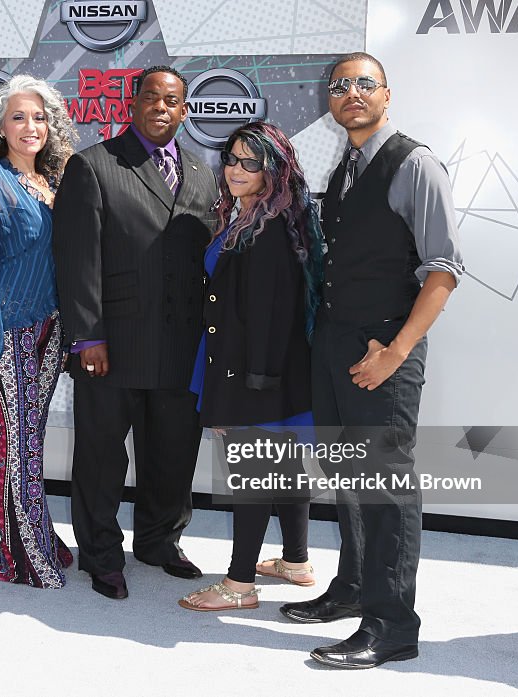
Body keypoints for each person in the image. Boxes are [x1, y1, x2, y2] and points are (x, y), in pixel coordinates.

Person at [278, 52, 464, 668]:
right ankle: (354, 588)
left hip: (387, 348)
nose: (351, 93)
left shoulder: (414, 163)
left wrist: (398, 352)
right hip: (337, 344)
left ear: (387, 94)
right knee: (348, 478)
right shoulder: (347, 165)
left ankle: (391, 625)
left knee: (385, 486)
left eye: (364, 83)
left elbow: (443, 271)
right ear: (330, 101)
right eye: (340, 86)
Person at [52, 65, 218, 600]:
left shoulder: (200, 172)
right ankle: (100, 554)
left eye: (172, 101)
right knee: (102, 457)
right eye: (152, 97)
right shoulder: (94, 165)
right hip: (112, 346)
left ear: (184, 110)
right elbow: (78, 261)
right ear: (133, 102)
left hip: (181, 346)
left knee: (171, 452)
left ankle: (159, 541)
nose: (161, 108)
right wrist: (86, 337)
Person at [177, 121, 322, 612]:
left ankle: (238, 585)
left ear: (273, 170)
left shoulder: (268, 229)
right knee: (284, 467)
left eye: (250, 162)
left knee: (254, 473)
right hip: (270, 371)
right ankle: (296, 561)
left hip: (253, 372)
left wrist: (242, 394)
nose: (236, 169)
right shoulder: (260, 217)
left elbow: (267, 315)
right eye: (232, 159)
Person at [0, 75, 79, 588]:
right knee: (18, 442)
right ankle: (24, 556)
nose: (31, 126)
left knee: (31, 438)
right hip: (7, 333)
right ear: (0, 127)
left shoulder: (55, 183)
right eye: (18, 117)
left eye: (39, 117)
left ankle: (39, 536)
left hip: (51, 330)